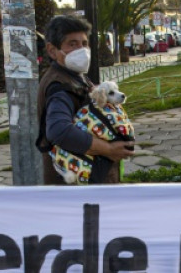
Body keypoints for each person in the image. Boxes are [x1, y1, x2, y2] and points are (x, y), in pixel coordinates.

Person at [36, 15, 134, 185]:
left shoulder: (73, 77)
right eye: (72, 44)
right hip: (76, 185)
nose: (82, 50)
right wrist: (108, 149)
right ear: (52, 50)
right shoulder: (59, 86)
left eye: (84, 43)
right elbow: (59, 130)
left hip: (87, 179)